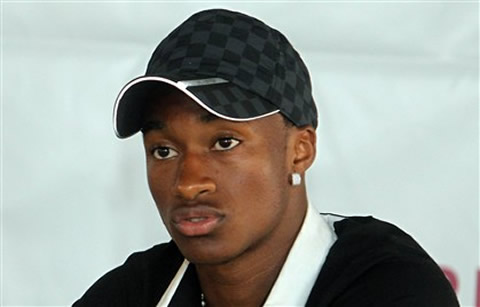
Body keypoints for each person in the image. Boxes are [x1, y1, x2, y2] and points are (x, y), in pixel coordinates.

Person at [74, 8, 459, 307]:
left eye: (224, 142)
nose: (189, 183)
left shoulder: (389, 286)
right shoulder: (137, 291)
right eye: (164, 150)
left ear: (299, 150)